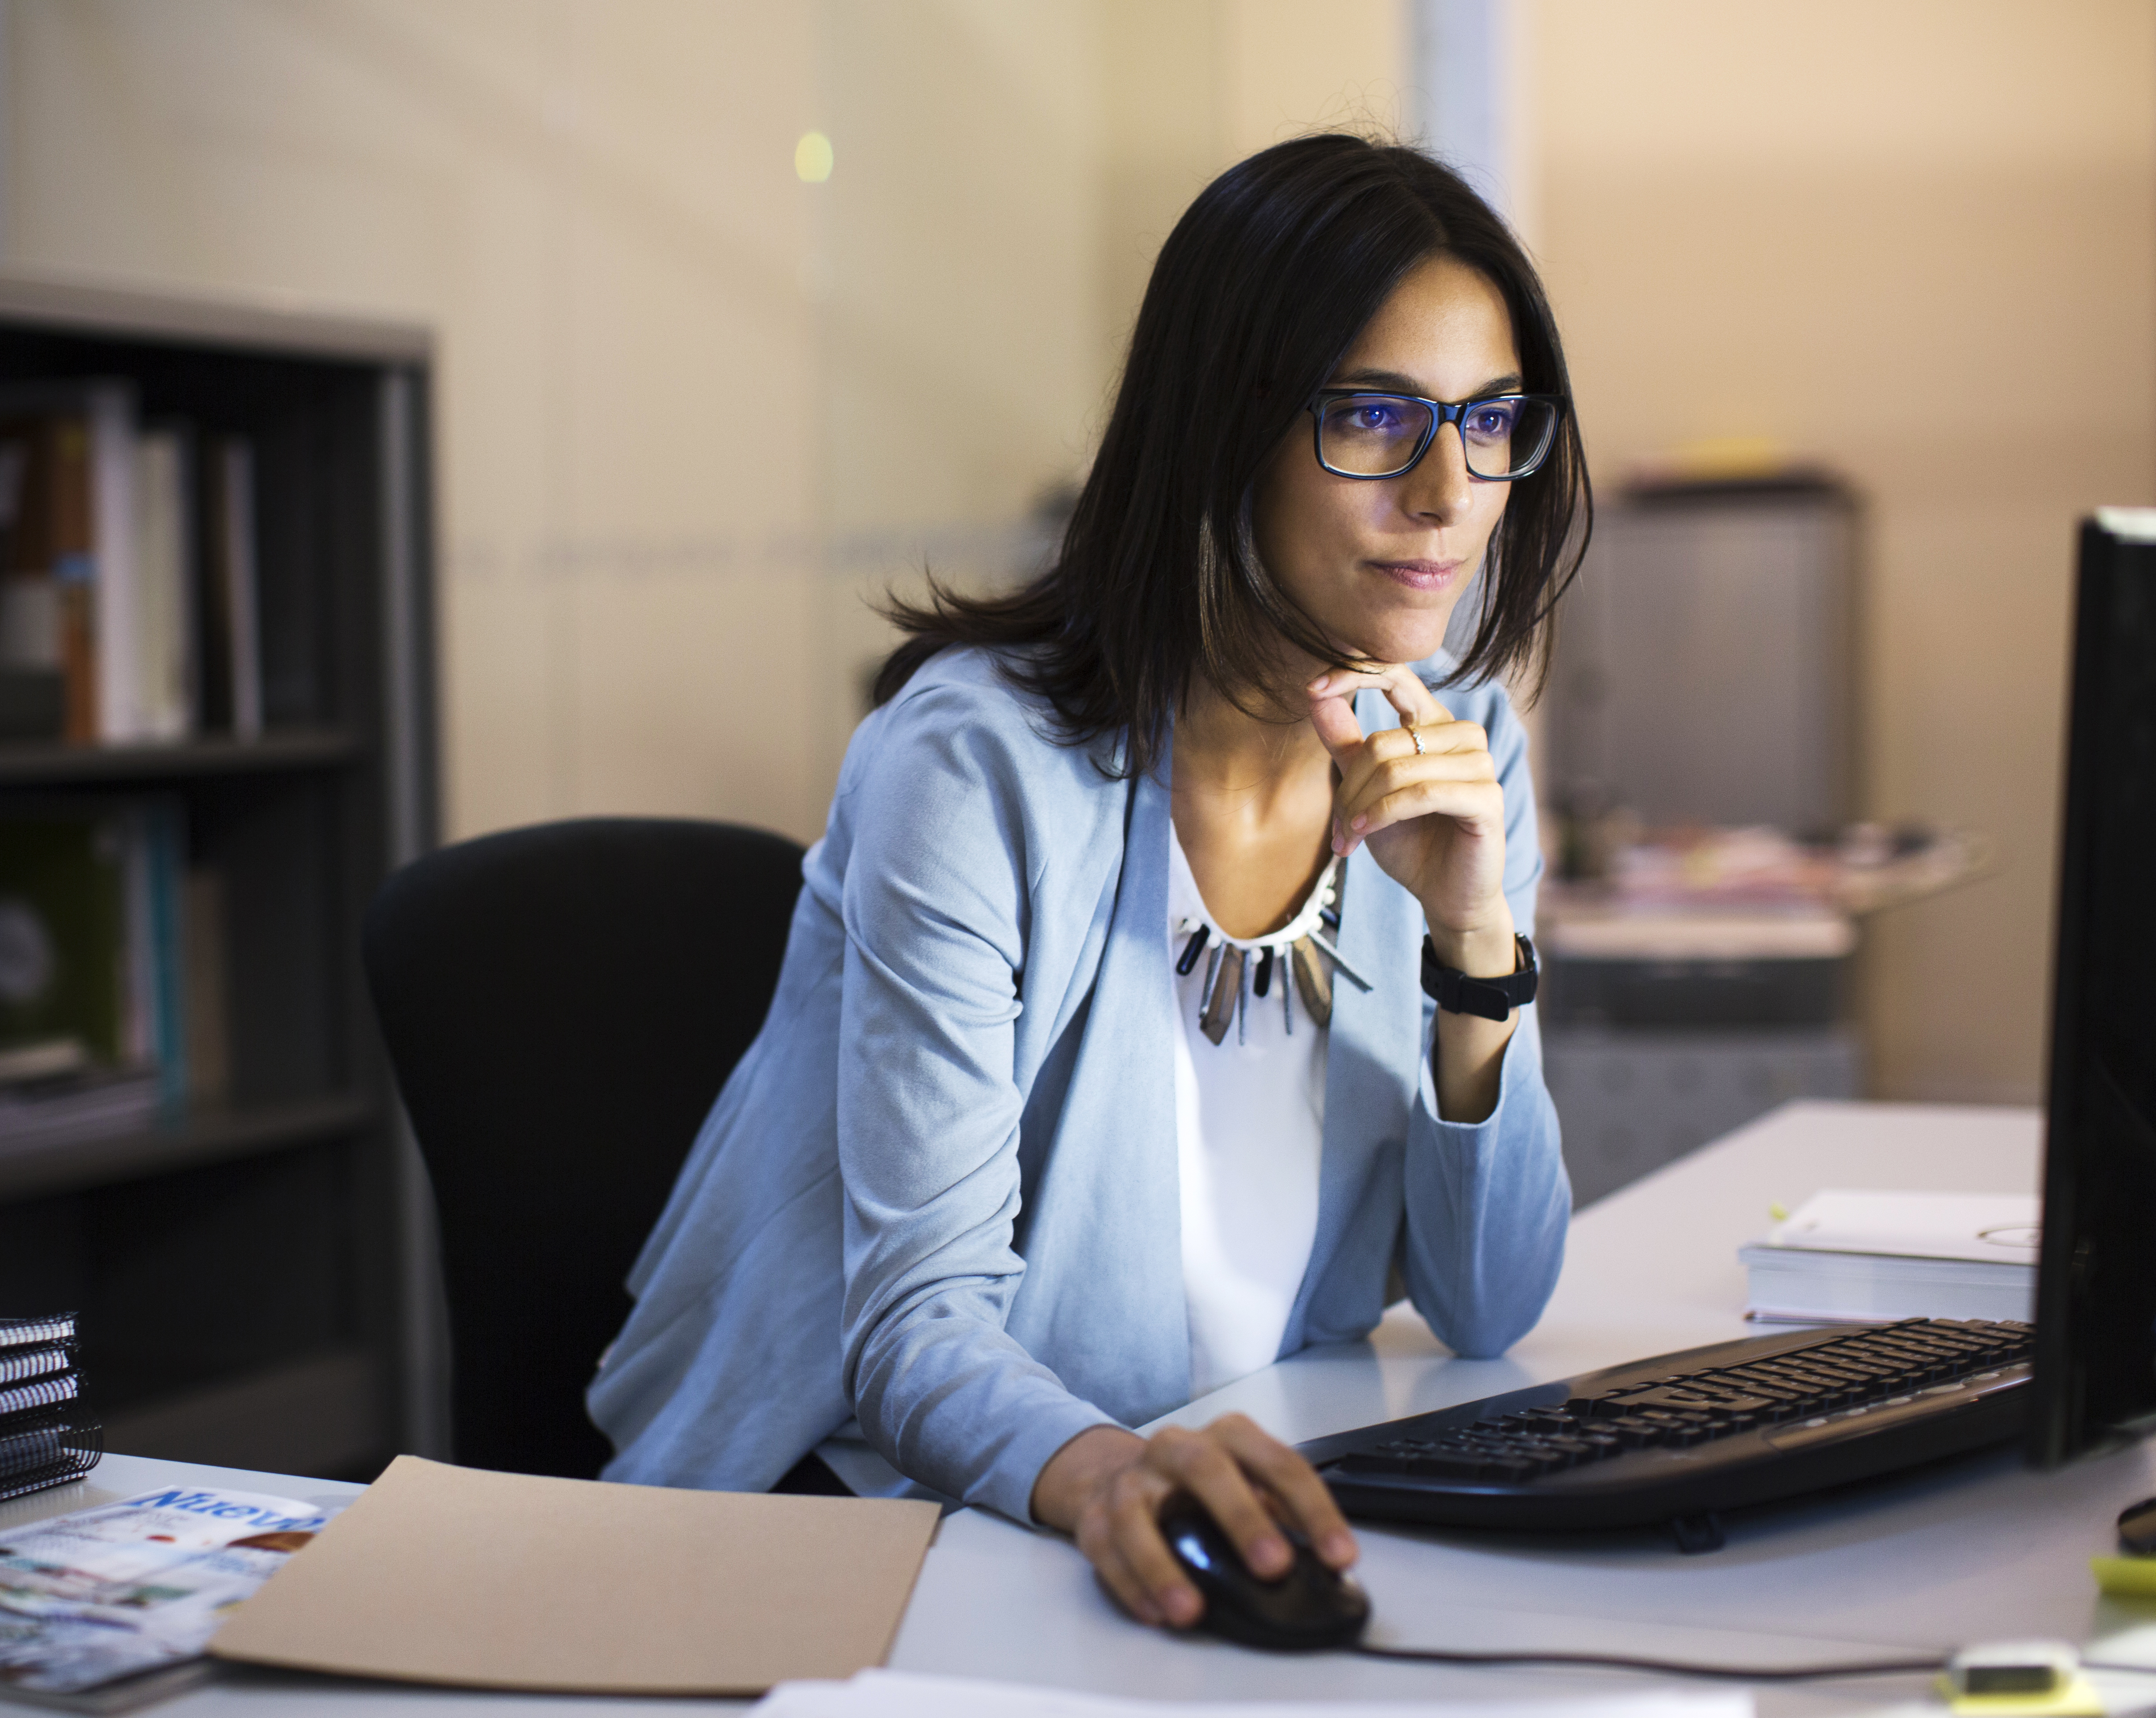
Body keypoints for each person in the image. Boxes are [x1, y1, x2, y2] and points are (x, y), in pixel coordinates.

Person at [587, 133, 1588, 1632]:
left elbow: (1490, 1304)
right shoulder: (974, 764)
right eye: (1375, 415)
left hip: (1223, 1467)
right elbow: (916, 1332)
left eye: (1491, 419)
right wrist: (1122, 1478)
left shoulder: (1455, 746)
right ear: (1223, 427)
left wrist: (1472, 935)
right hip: (860, 1518)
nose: (1451, 491)